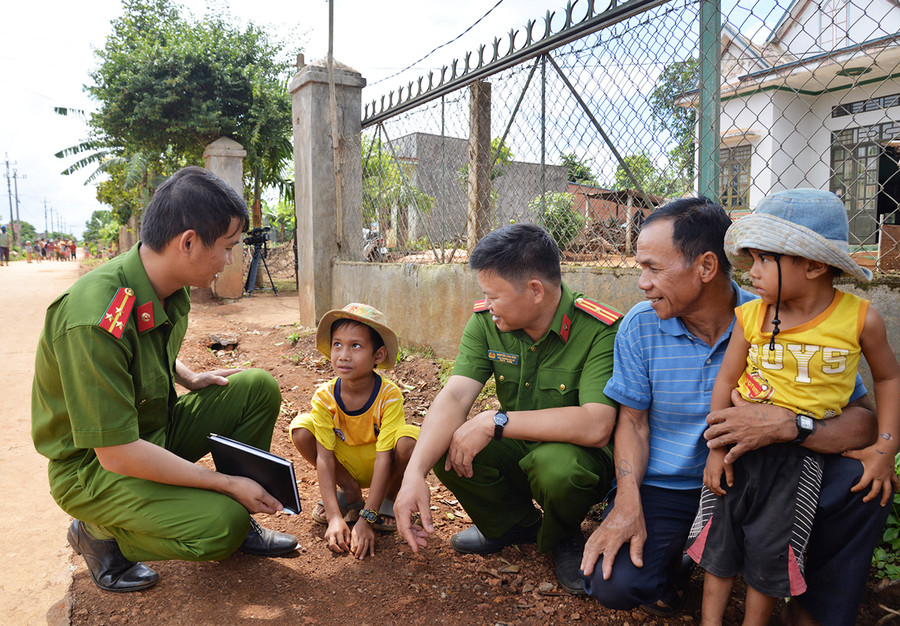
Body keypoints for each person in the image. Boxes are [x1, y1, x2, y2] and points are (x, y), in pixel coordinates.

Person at [580, 197, 891, 626]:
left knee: (862, 483)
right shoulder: (640, 324)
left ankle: (816, 608)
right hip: (671, 488)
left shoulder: (793, 320)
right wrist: (627, 502)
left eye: (654, 268)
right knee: (614, 584)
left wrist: (791, 426)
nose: (643, 284)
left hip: (761, 476)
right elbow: (632, 421)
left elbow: (864, 421)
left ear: (706, 267)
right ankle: (678, 567)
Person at [31, 166, 298, 593]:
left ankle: (239, 510)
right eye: (228, 248)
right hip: (94, 467)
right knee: (221, 526)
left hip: (151, 427)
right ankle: (98, 533)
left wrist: (188, 375)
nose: (231, 260)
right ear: (188, 242)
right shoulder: (94, 317)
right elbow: (116, 454)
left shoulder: (167, 283)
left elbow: (143, 342)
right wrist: (225, 483)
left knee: (254, 387)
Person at [685, 189, 900, 624]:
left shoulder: (859, 320)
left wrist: (885, 449)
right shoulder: (752, 318)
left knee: (773, 544)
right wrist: (715, 446)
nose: (752, 273)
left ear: (815, 265)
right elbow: (727, 380)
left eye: (765, 260)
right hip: (742, 449)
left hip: (801, 461)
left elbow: (889, 378)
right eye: (752, 259)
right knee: (720, 538)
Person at [394, 223, 621, 594]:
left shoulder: (599, 330)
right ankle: (516, 525)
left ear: (535, 290)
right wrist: (414, 473)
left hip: (581, 459)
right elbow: (454, 397)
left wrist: (494, 421)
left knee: (556, 468)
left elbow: (597, 425)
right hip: (521, 445)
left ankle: (564, 535)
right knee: (441, 443)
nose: (488, 304)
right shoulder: (488, 322)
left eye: (493, 295)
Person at [289, 302, 419, 560]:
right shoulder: (324, 396)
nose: (343, 355)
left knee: (408, 440)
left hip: (381, 463)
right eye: (337, 344)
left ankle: (386, 501)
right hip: (344, 462)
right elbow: (324, 457)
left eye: (355, 346)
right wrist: (335, 516)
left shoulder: (389, 396)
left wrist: (366, 521)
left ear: (378, 356)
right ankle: (349, 493)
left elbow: (384, 456)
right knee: (301, 429)